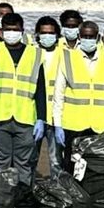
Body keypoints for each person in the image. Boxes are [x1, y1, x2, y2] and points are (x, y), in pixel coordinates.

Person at [51, 21, 104, 175]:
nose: (88, 39)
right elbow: (58, 95)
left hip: (103, 126)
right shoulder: (67, 58)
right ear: (79, 37)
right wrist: (58, 124)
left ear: (98, 37)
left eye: (91, 36)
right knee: (73, 167)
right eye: (85, 36)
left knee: (99, 169)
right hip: (73, 125)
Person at [0, 12, 44, 185]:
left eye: (15, 29)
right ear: (1, 31)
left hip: (25, 118)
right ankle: (1, 196)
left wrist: (41, 118)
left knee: (23, 164)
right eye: (8, 29)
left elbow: (41, 90)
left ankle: (22, 199)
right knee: (2, 162)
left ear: (22, 31)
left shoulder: (35, 54)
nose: (11, 33)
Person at [34, 15, 65, 169]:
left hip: (56, 116)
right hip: (35, 115)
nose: (47, 36)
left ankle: (57, 191)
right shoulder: (31, 54)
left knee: (56, 159)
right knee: (31, 158)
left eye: (51, 33)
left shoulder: (65, 54)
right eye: (43, 33)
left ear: (57, 35)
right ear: (38, 35)